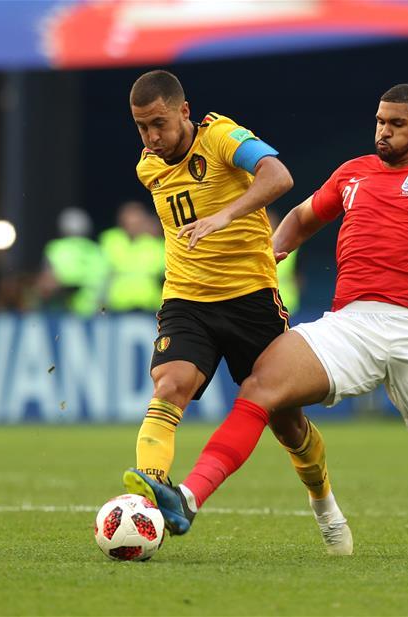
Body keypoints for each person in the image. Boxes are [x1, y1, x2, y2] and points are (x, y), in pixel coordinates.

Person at [125, 84, 408, 558]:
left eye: (396, 124)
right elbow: (302, 216)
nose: (383, 131)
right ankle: (189, 499)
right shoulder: (352, 174)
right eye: (380, 121)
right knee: (260, 387)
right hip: (350, 324)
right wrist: (270, 253)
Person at [122, 69, 352, 555]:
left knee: (287, 424)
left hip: (251, 301)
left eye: (159, 124)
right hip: (187, 300)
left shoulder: (223, 136)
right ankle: (150, 496)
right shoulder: (149, 167)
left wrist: (226, 215)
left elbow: (280, 175)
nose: (151, 138)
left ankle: (325, 505)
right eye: (141, 127)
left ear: (184, 111)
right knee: (169, 386)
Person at [99, 200, 166, 312]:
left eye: (138, 221)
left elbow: (166, 276)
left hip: (150, 309)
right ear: (122, 221)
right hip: (117, 308)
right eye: (130, 221)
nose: (134, 225)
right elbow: (101, 276)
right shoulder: (110, 240)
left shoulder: (155, 245)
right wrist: (100, 305)